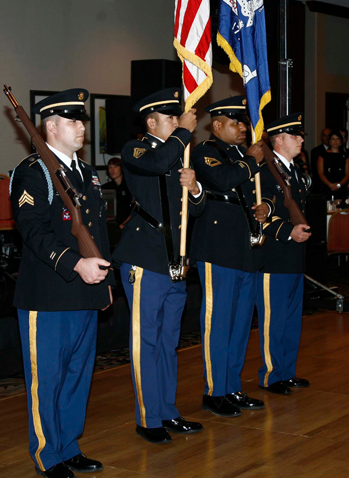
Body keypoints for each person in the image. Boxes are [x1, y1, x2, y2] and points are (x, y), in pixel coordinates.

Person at [10, 89, 113, 478]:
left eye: (82, 120)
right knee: (47, 380)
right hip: (48, 294)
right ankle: (47, 455)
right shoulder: (32, 172)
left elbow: (97, 232)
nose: (82, 127)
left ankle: (69, 446)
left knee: (76, 377)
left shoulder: (86, 173)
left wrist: (103, 284)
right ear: (51, 127)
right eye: (73, 121)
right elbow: (34, 231)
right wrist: (75, 264)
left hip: (85, 291)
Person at [113, 88, 206, 444]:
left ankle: (168, 410)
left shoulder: (179, 155)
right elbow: (154, 164)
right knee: (146, 342)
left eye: (177, 118)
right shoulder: (136, 149)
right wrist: (183, 132)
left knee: (169, 342)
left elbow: (195, 210)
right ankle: (148, 418)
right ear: (152, 122)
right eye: (171, 118)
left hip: (175, 261)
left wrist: (195, 188)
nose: (178, 123)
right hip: (145, 259)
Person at [190, 96, 271, 418]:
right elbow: (222, 180)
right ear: (217, 125)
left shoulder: (241, 155)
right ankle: (214, 390)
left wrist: (265, 208)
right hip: (218, 246)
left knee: (240, 324)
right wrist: (251, 161)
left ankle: (232, 386)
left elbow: (251, 194)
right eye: (236, 122)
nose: (242, 128)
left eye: (244, 123)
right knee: (218, 322)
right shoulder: (206, 152)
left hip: (245, 246)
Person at [257, 113, 311, 395]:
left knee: (291, 318)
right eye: (295, 135)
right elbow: (259, 215)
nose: (301, 139)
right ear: (278, 139)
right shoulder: (265, 171)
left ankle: (287, 371)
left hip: (294, 257)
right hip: (275, 255)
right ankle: (270, 373)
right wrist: (288, 231)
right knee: (273, 320)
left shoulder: (297, 172)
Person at [317, 130, 349, 201]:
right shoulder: (323, 155)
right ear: (330, 141)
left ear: (341, 141)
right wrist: (330, 184)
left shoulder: (345, 156)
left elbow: (347, 174)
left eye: (337, 139)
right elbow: (321, 173)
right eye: (333, 139)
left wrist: (339, 185)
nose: (335, 141)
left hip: (341, 187)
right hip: (326, 187)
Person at [101, 157, 132, 227]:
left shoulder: (129, 186)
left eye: (115, 167)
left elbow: (135, 209)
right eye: (110, 167)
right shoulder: (105, 188)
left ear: (121, 168)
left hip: (129, 224)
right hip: (111, 225)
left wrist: (124, 224)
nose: (112, 170)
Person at [310, 128, 331, 193]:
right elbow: (314, 170)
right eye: (325, 136)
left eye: (329, 136)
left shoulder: (337, 150)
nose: (327, 138)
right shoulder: (316, 151)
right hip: (320, 185)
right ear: (321, 137)